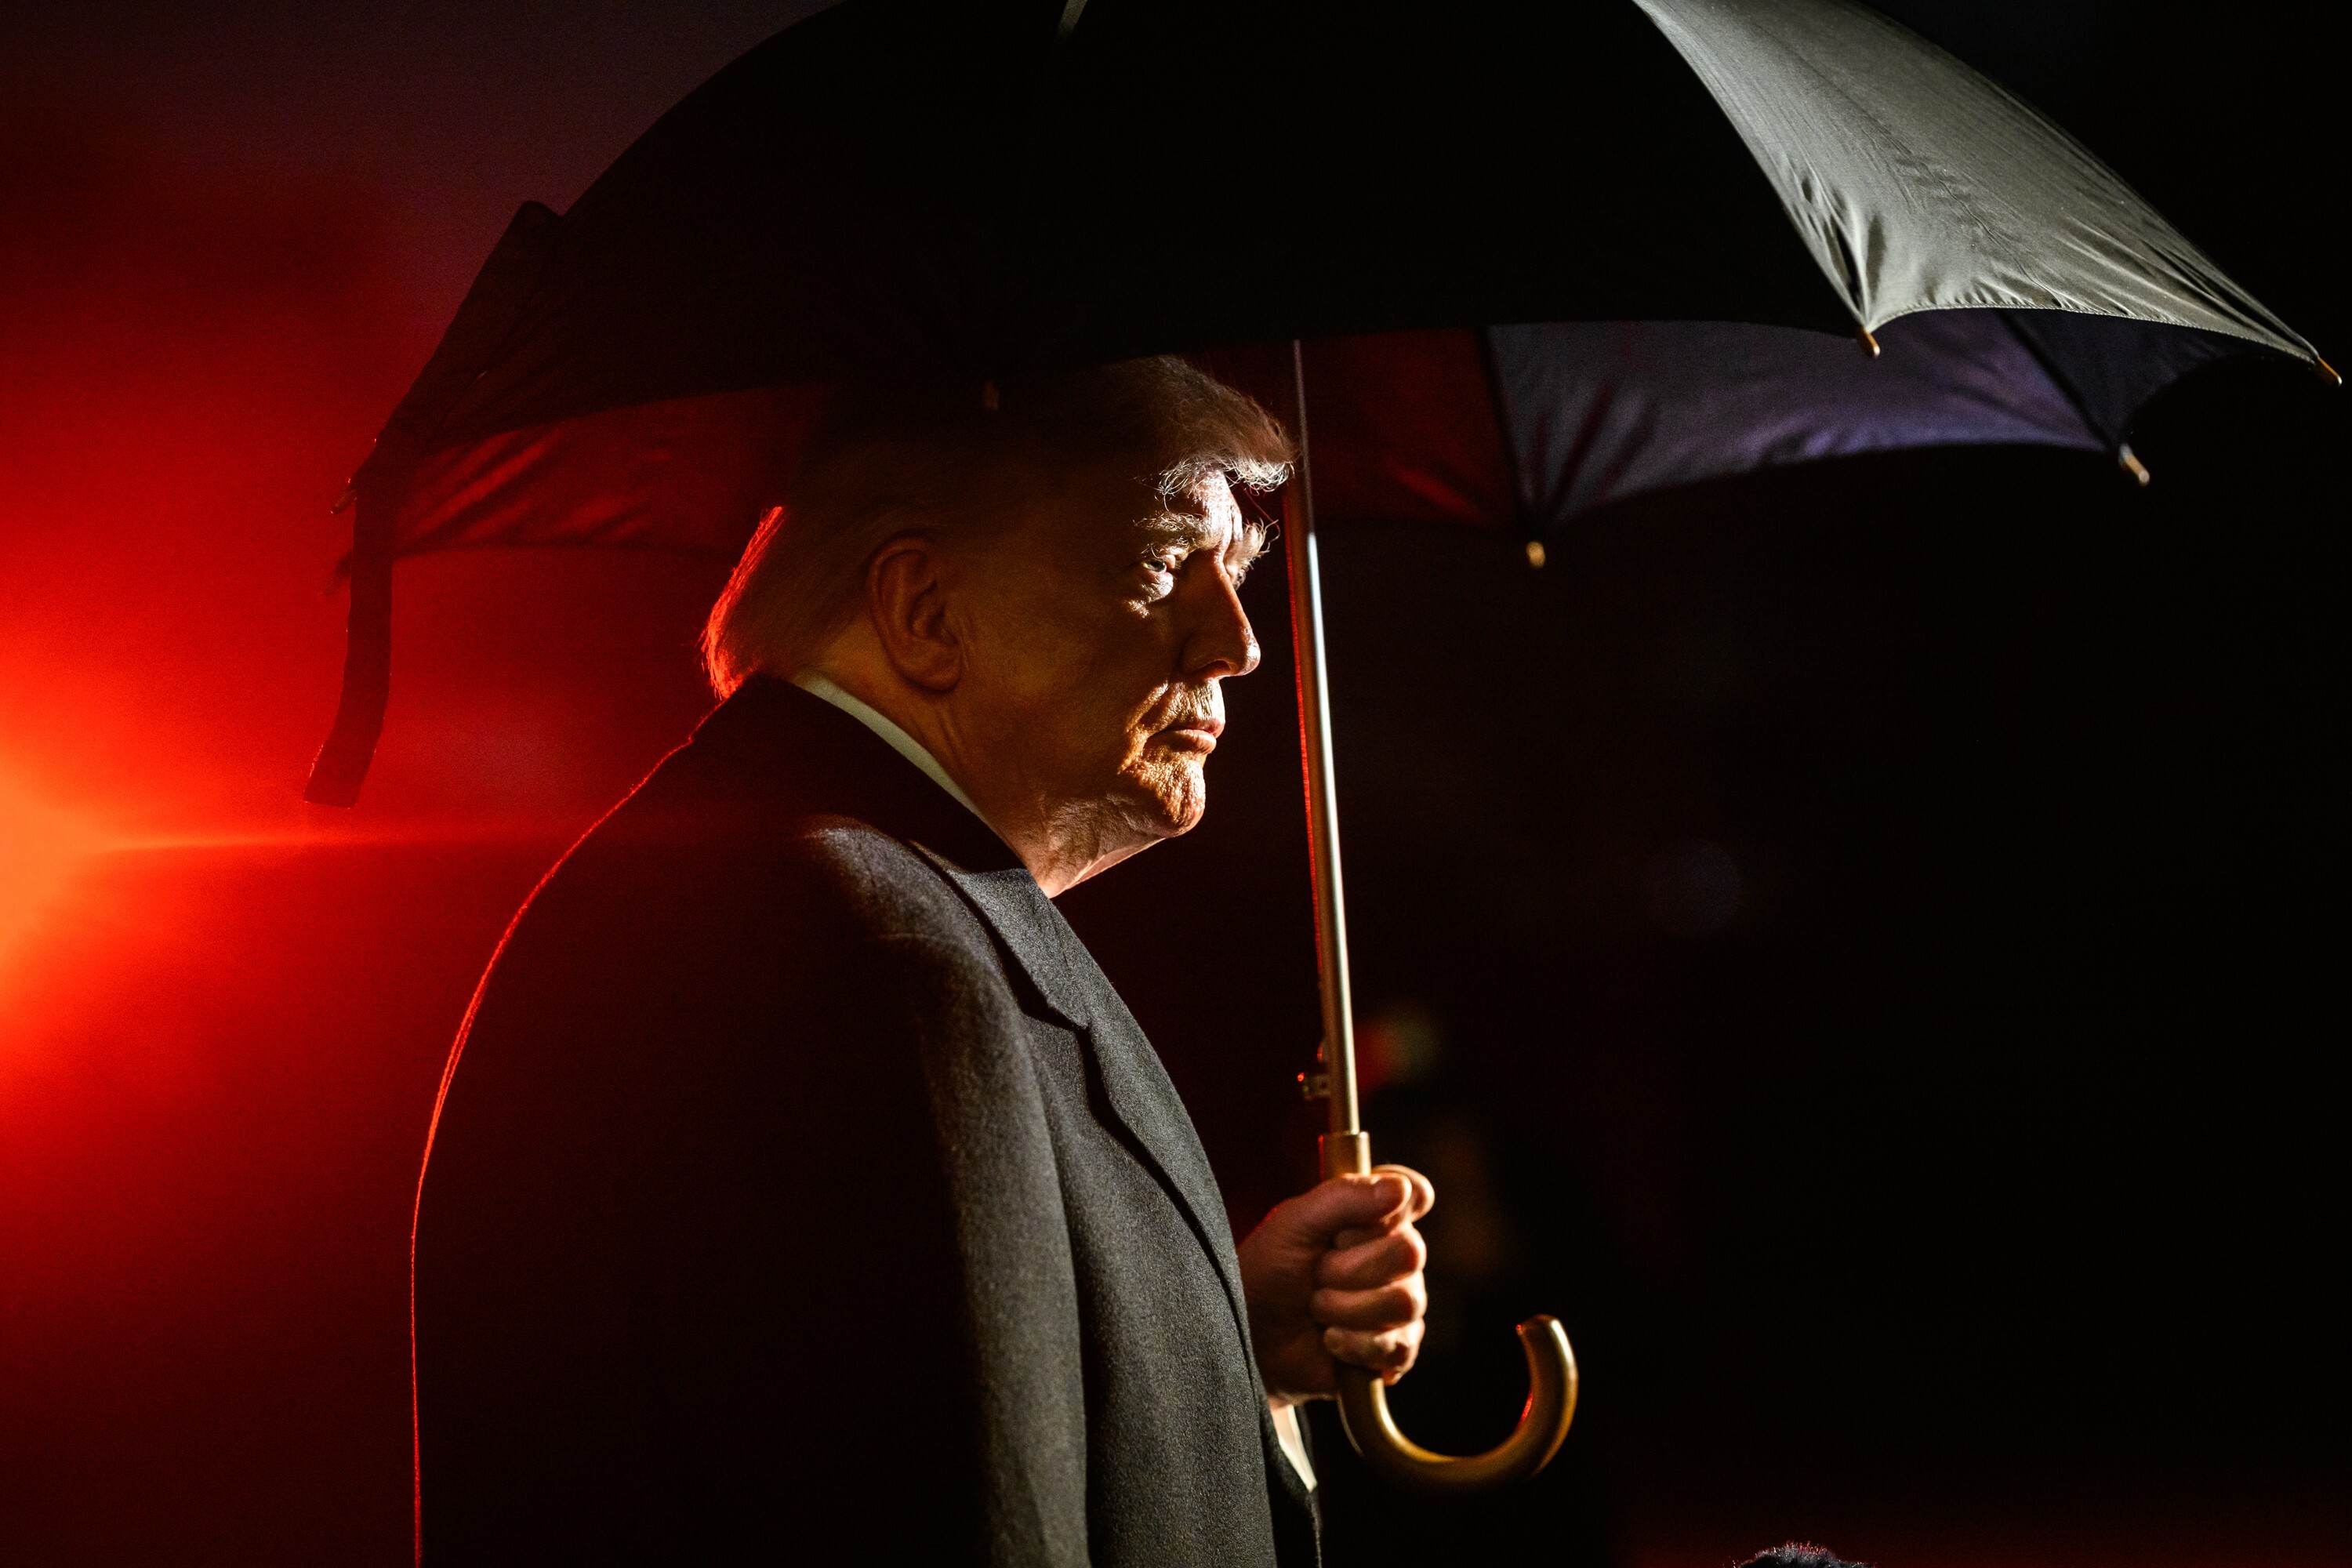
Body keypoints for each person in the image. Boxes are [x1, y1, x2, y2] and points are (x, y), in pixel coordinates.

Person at [412, 358, 1433, 1565]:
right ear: (925, 611)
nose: (1238, 643)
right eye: (1160, 566)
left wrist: (1218, 1349)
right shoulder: (872, 960)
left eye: (1241, 574)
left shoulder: (823, 902)